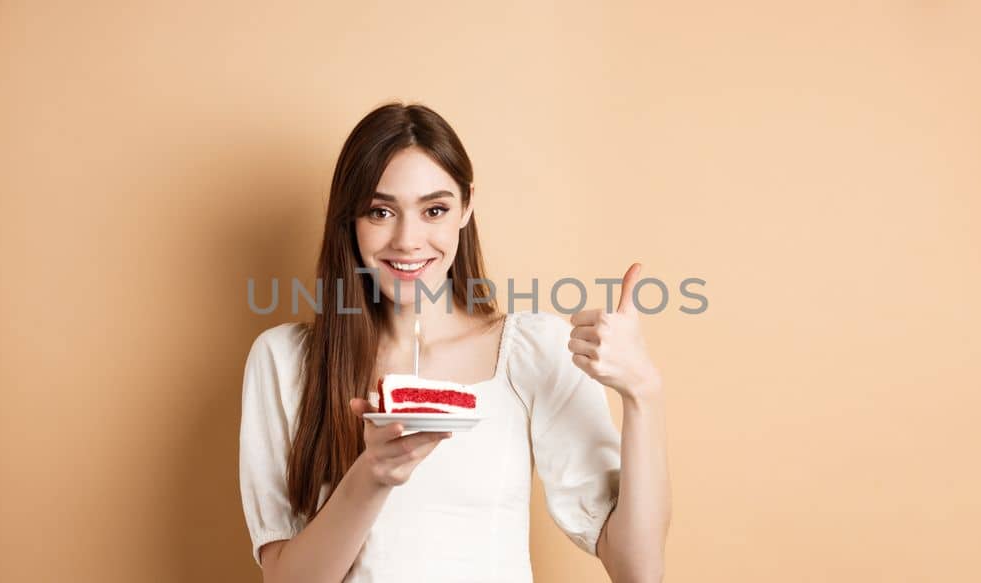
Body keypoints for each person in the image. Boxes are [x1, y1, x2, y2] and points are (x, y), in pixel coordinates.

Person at [238, 102, 670, 582]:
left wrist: (642, 394)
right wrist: (372, 475)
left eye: (434, 210)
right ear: (350, 220)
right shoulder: (284, 360)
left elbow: (638, 570)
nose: (408, 239)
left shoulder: (533, 350)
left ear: (465, 208)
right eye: (381, 211)